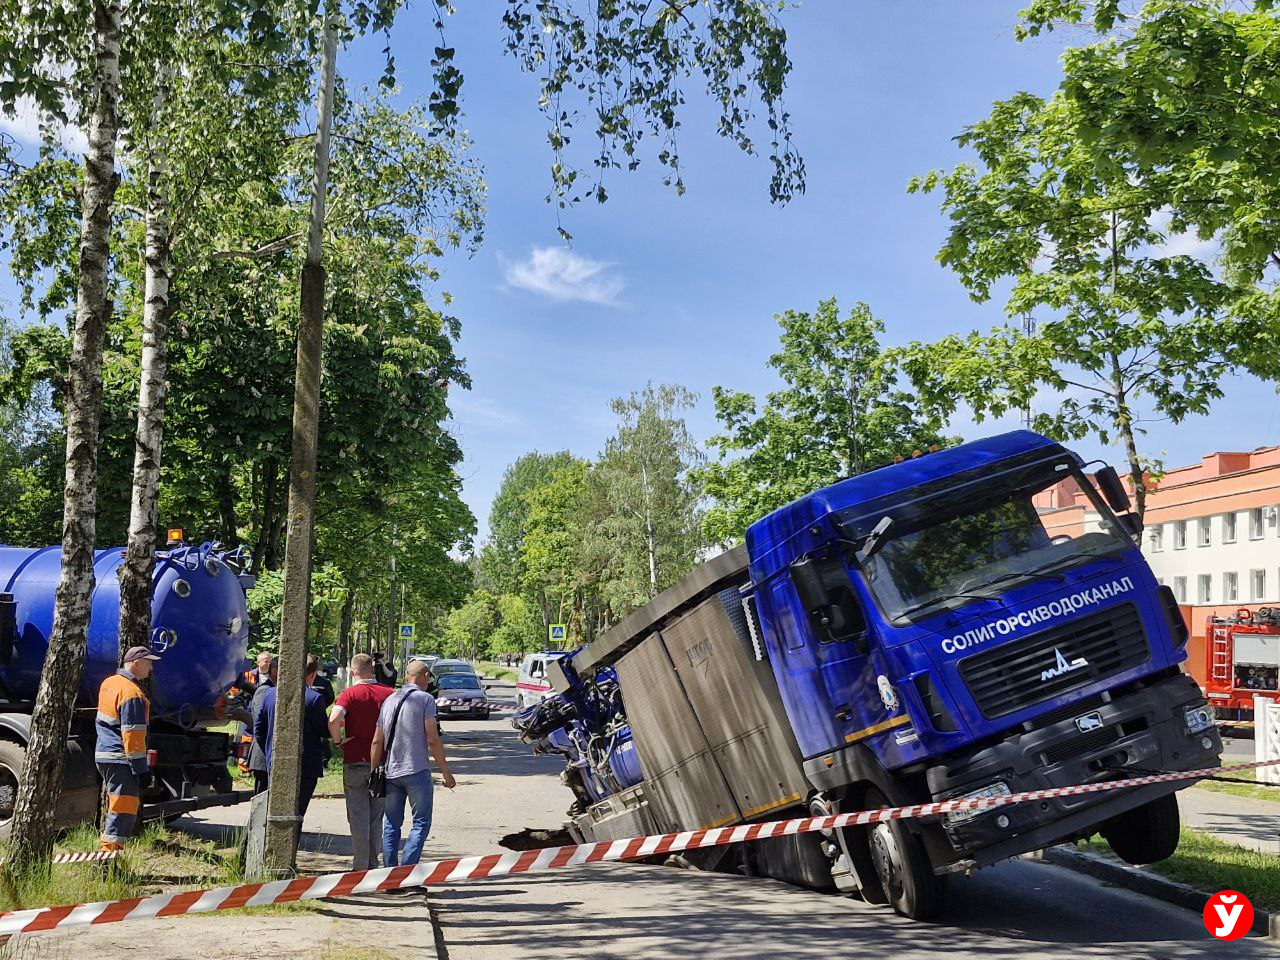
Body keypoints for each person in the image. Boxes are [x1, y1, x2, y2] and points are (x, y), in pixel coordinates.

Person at [370, 659, 456, 867]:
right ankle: (406, 874)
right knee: (421, 822)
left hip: (391, 772)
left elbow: (377, 740)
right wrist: (446, 773)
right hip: (417, 770)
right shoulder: (426, 700)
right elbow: (433, 739)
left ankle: (389, 874)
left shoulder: (389, 700)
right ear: (425, 677)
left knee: (390, 823)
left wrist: (374, 772)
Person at [328, 653, 394, 870]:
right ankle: (373, 866)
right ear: (372, 670)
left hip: (355, 760)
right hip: (382, 764)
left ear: (352, 671)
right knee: (376, 818)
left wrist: (338, 740)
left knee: (358, 817)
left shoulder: (350, 694)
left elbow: (334, 718)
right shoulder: (389, 694)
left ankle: (359, 867)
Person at [95, 645, 161, 851]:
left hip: (105, 754)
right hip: (120, 757)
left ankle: (109, 855)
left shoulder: (109, 683)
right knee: (123, 808)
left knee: (116, 806)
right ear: (136, 663)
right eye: (148, 663)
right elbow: (133, 734)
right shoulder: (131, 692)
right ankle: (108, 860)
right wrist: (141, 769)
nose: (150, 668)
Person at [255, 656, 330, 821]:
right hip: (306, 766)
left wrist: (270, 751)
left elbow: (259, 729)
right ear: (312, 675)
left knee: (274, 812)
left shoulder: (269, 694)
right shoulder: (314, 698)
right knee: (296, 815)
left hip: (275, 761)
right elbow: (325, 731)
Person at [246, 656, 278, 794]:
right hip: (263, 755)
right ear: (275, 671)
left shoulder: (276, 689)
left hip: (271, 754)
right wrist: (269, 748)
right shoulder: (264, 690)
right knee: (261, 798)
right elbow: (259, 725)